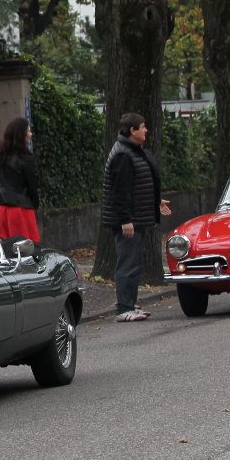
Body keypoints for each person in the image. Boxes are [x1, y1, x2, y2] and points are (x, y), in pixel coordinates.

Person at [100, 113, 173, 322]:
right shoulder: (123, 155)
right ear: (133, 131)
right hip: (127, 220)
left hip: (135, 217)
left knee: (133, 263)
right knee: (128, 263)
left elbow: (138, 184)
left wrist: (156, 201)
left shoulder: (133, 151)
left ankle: (129, 305)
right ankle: (123, 308)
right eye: (142, 127)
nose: (146, 130)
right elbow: (120, 192)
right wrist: (125, 220)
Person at [0, 116, 42, 244]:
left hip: (2, 210)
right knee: (26, 248)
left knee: (4, 247)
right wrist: (35, 205)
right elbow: (32, 186)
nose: (30, 134)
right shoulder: (26, 158)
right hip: (21, 210)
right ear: (21, 134)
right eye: (28, 131)